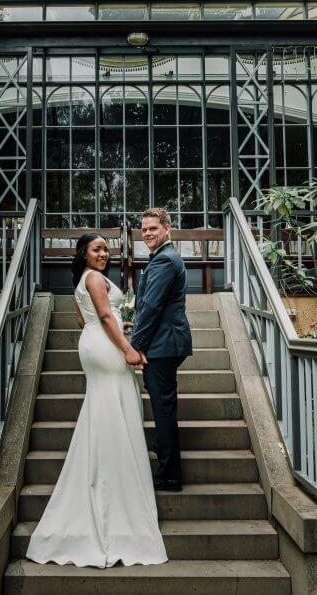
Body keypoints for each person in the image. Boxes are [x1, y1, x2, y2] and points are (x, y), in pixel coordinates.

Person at [25, 233, 168, 568]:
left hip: (93, 342)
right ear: (84, 253)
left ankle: (104, 478)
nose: (104, 253)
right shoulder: (95, 279)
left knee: (106, 411)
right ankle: (114, 495)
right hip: (106, 347)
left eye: (106, 248)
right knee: (115, 412)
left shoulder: (83, 279)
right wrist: (128, 347)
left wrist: (121, 321)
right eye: (97, 248)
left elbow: (86, 319)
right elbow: (104, 318)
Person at [130, 207, 193, 493]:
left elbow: (152, 307)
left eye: (153, 228)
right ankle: (169, 471)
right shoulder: (163, 258)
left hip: (163, 345)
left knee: (163, 409)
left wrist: (135, 346)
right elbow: (148, 305)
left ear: (167, 229)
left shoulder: (165, 260)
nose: (147, 233)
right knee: (163, 407)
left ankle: (169, 475)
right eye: (144, 229)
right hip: (164, 342)